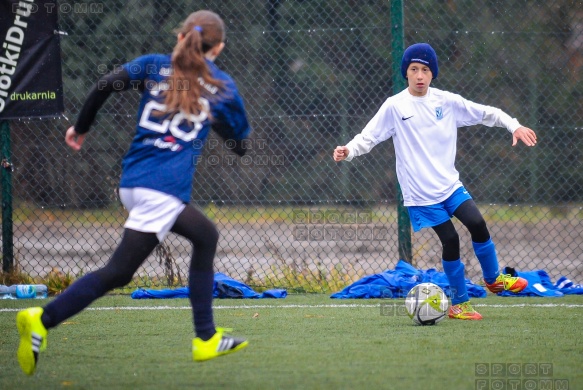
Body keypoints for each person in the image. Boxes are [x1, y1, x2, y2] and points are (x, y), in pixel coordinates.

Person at [16, 10, 251, 375]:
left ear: (181, 38)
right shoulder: (221, 86)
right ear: (218, 48)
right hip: (161, 190)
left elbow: (105, 84)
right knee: (125, 268)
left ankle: (204, 338)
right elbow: (240, 146)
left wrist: (81, 127)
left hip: (134, 182)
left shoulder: (154, 66)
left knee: (196, 239)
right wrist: (215, 118)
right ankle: (43, 318)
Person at [333, 43, 538, 320]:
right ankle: (460, 305)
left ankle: (494, 280)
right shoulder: (395, 106)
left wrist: (514, 125)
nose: (419, 75)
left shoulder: (447, 102)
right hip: (421, 195)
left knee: (477, 223)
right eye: (414, 69)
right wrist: (348, 151)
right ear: (406, 73)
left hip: (450, 186)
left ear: (433, 74)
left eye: (425, 70)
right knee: (451, 239)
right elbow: (369, 137)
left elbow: (486, 113)